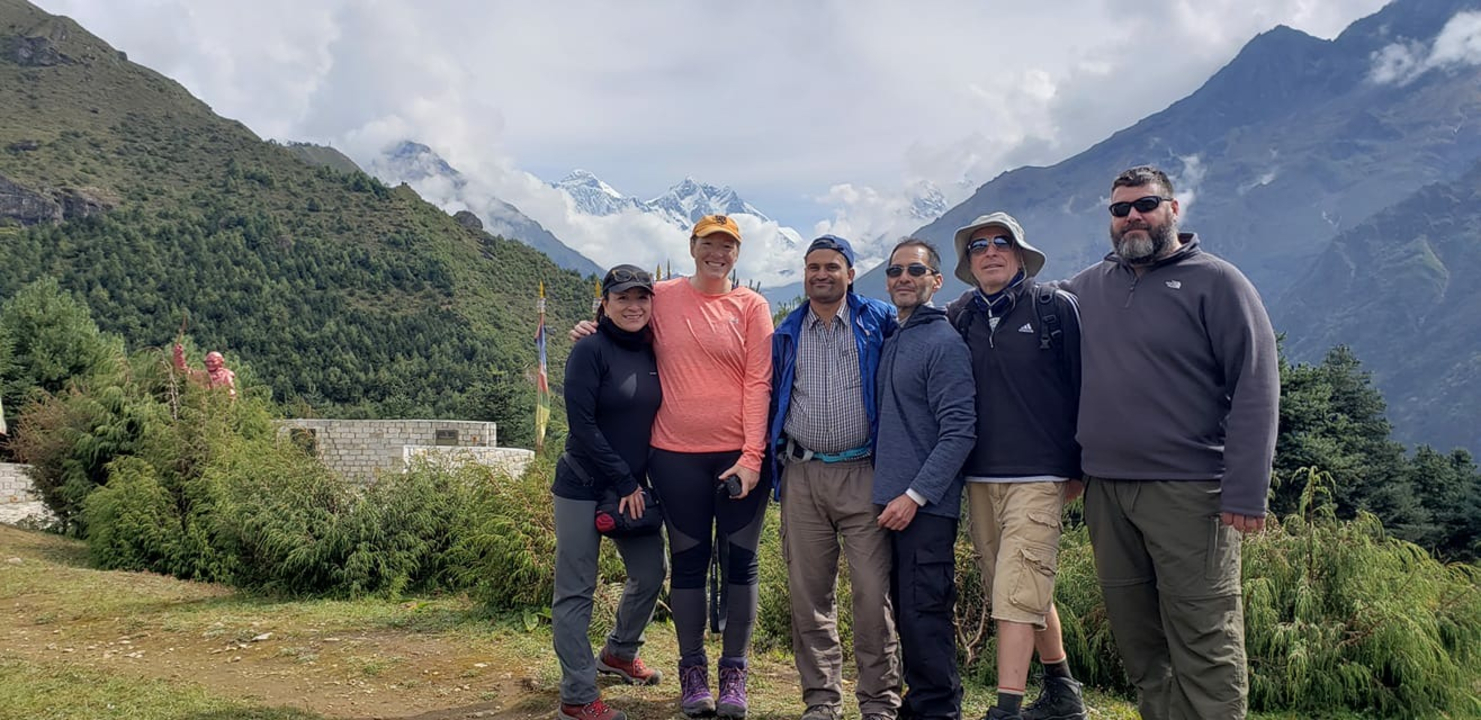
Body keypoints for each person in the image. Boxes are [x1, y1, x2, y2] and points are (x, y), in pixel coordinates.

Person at [1063, 165, 1279, 719]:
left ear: (1173, 209)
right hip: (1106, 493)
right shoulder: (1086, 289)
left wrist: (1246, 491)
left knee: (1204, 633)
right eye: (1120, 209)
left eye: (1145, 204)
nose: (1133, 216)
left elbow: (1256, 385)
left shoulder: (1217, 281)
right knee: (1140, 642)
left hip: (1189, 491)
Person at [576, 215, 773, 719]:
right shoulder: (661, 296)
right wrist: (590, 329)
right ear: (692, 247)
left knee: (740, 564)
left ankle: (733, 673)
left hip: (739, 460)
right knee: (687, 563)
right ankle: (692, 672)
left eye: (728, 246)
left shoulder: (751, 306)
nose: (718, 253)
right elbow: (625, 320)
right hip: (674, 456)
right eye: (710, 243)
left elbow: (759, 382)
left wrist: (752, 457)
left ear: (737, 254)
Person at [944, 213, 1086, 720]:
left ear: (1020, 253)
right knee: (1015, 587)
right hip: (980, 476)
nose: (990, 251)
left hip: (1042, 474)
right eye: (978, 246)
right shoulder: (959, 316)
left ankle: (1007, 708)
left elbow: (1084, 388)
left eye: (1001, 242)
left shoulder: (1055, 309)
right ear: (968, 263)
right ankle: (1063, 691)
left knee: (1016, 589)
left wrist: (1079, 469)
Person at [769, 235, 901, 720]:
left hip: (865, 472)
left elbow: (929, 330)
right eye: (812, 267)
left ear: (850, 273)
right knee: (809, 596)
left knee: (871, 594)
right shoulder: (786, 331)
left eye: (831, 267)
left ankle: (879, 701)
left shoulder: (880, 322)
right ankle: (821, 700)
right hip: (801, 475)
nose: (821, 274)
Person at [552, 265, 667, 720]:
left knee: (651, 572)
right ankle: (577, 697)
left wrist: (633, 483)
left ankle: (619, 652)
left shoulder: (655, 349)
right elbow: (582, 425)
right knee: (576, 590)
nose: (633, 306)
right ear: (604, 304)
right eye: (622, 298)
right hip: (583, 485)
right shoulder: (589, 350)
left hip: (631, 489)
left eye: (642, 297)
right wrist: (624, 481)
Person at [873, 238, 976, 720]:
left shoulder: (944, 343)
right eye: (895, 272)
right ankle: (919, 706)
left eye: (915, 271)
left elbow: (960, 432)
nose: (903, 279)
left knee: (924, 615)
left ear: (937, 280)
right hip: (889, 506)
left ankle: (938, 710)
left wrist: (915, 496)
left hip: (925, 509)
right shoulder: (895, 337)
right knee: (905, 615)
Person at [172, 343, 237, 399]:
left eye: (213, 361)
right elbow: (184, 372)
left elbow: (230, 393)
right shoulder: (202, 375)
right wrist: (178, 356)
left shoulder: (225, 374)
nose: (209, 364)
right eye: (207, 362)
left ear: (221, 362)